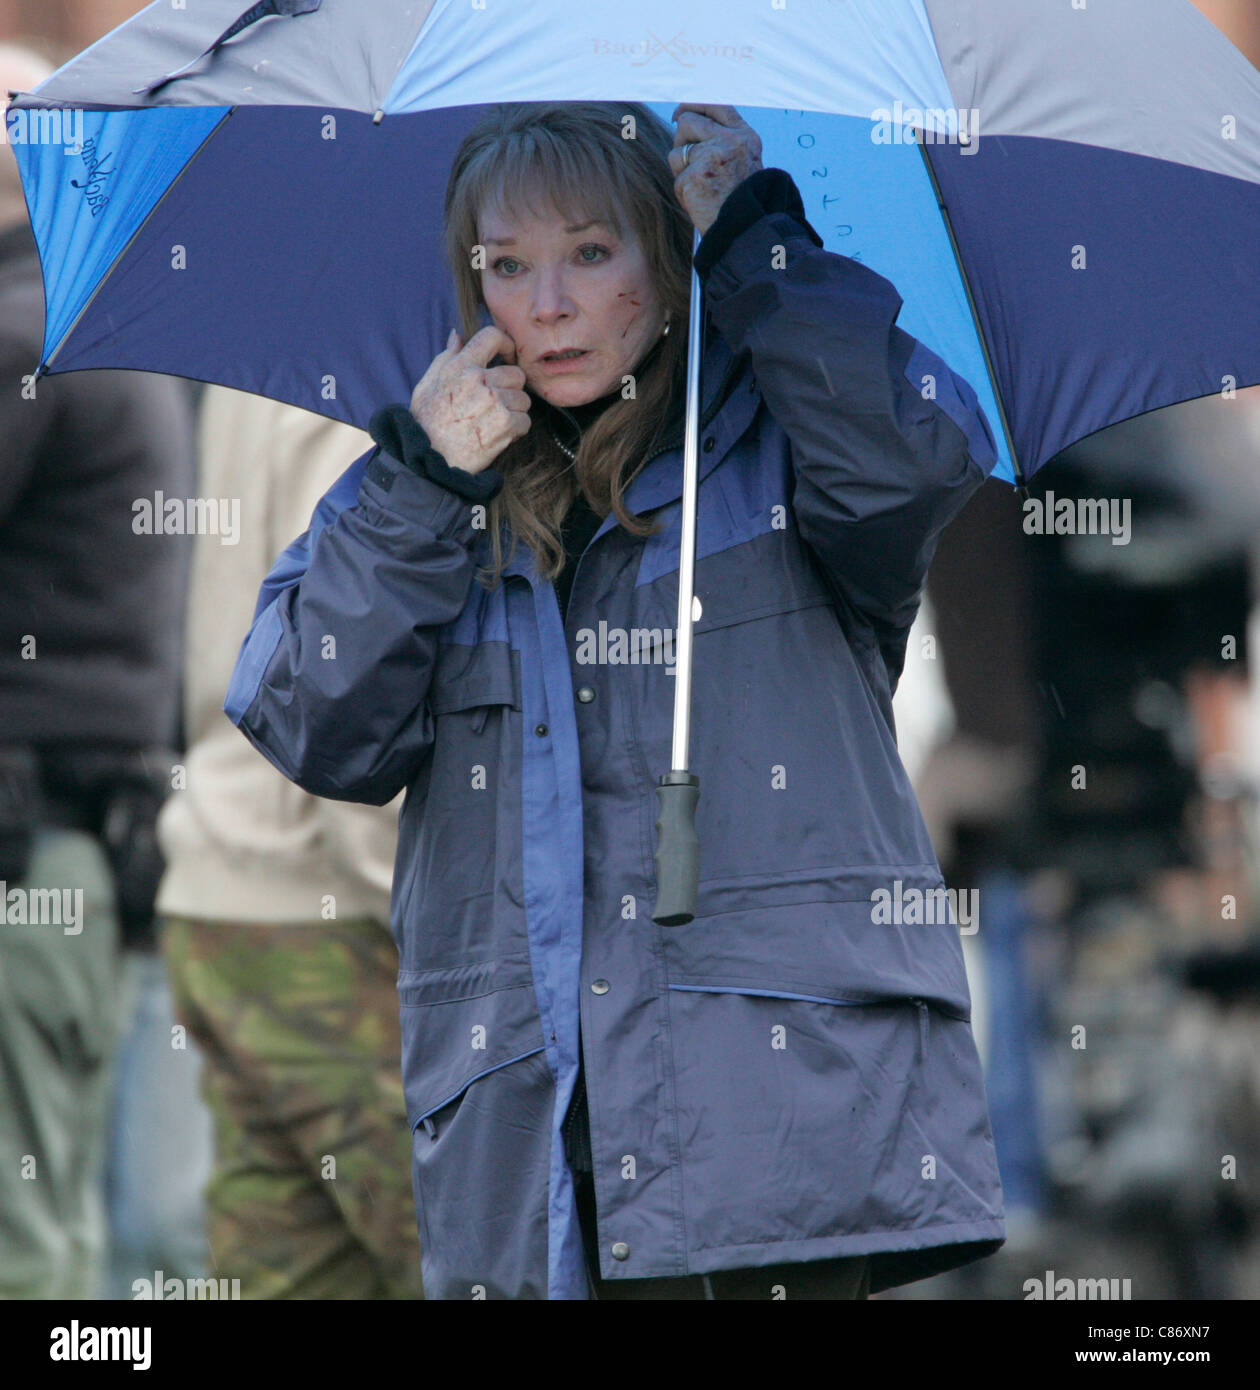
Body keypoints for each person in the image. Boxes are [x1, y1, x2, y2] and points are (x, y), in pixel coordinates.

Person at [226, 100, 1006, 1299]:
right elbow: (314, 720)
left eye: (592, 253)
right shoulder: (435, 480)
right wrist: (424, 490)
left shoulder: (787, 440)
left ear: (669, 252)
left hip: (775, 1133)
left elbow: (906, 473)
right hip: (532, 1143)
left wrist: (757, 244)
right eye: (507, 264)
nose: (547, 304)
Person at [0, 42, 194, 1299]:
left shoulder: (22, 334)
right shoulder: (104, 327)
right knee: (67, 1225)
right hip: (85, 848)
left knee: (25, 1244)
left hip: (27, 851)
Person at [156, 387, 421, 1299]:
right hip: (327, 907)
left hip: (224, 881)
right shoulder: (360, 380)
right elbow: (346, 661)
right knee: (467, 1261)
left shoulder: (260, 358)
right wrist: (417, 914)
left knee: (294, 1269)